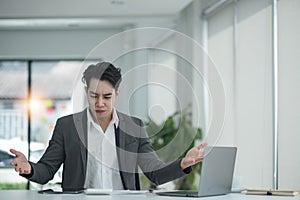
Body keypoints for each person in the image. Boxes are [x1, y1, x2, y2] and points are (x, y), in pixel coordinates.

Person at [10, 62, 207, 191]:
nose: (100, 103)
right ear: (86, 92)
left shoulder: (134, 127)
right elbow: (46, 170)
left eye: (107, 96)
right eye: (94, 96)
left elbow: (154, 171)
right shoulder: (67, 126)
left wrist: (182, 164)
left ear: (117, 93)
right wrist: (29, 168)